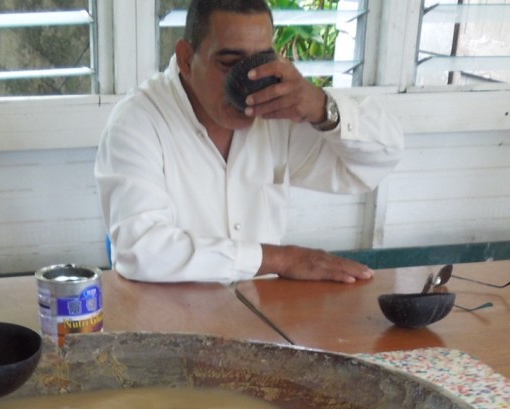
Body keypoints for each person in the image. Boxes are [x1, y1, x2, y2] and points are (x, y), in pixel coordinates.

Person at [94, 0, 404, 285]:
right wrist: (281, 259)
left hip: (260, 312)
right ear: (187, 59)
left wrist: (323, 107)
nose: (249, 83)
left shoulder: (278, 109)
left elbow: (380, 159)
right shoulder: (137, 122)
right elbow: (142, 249)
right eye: (230, 63)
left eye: (261, 62)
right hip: (172, 318)